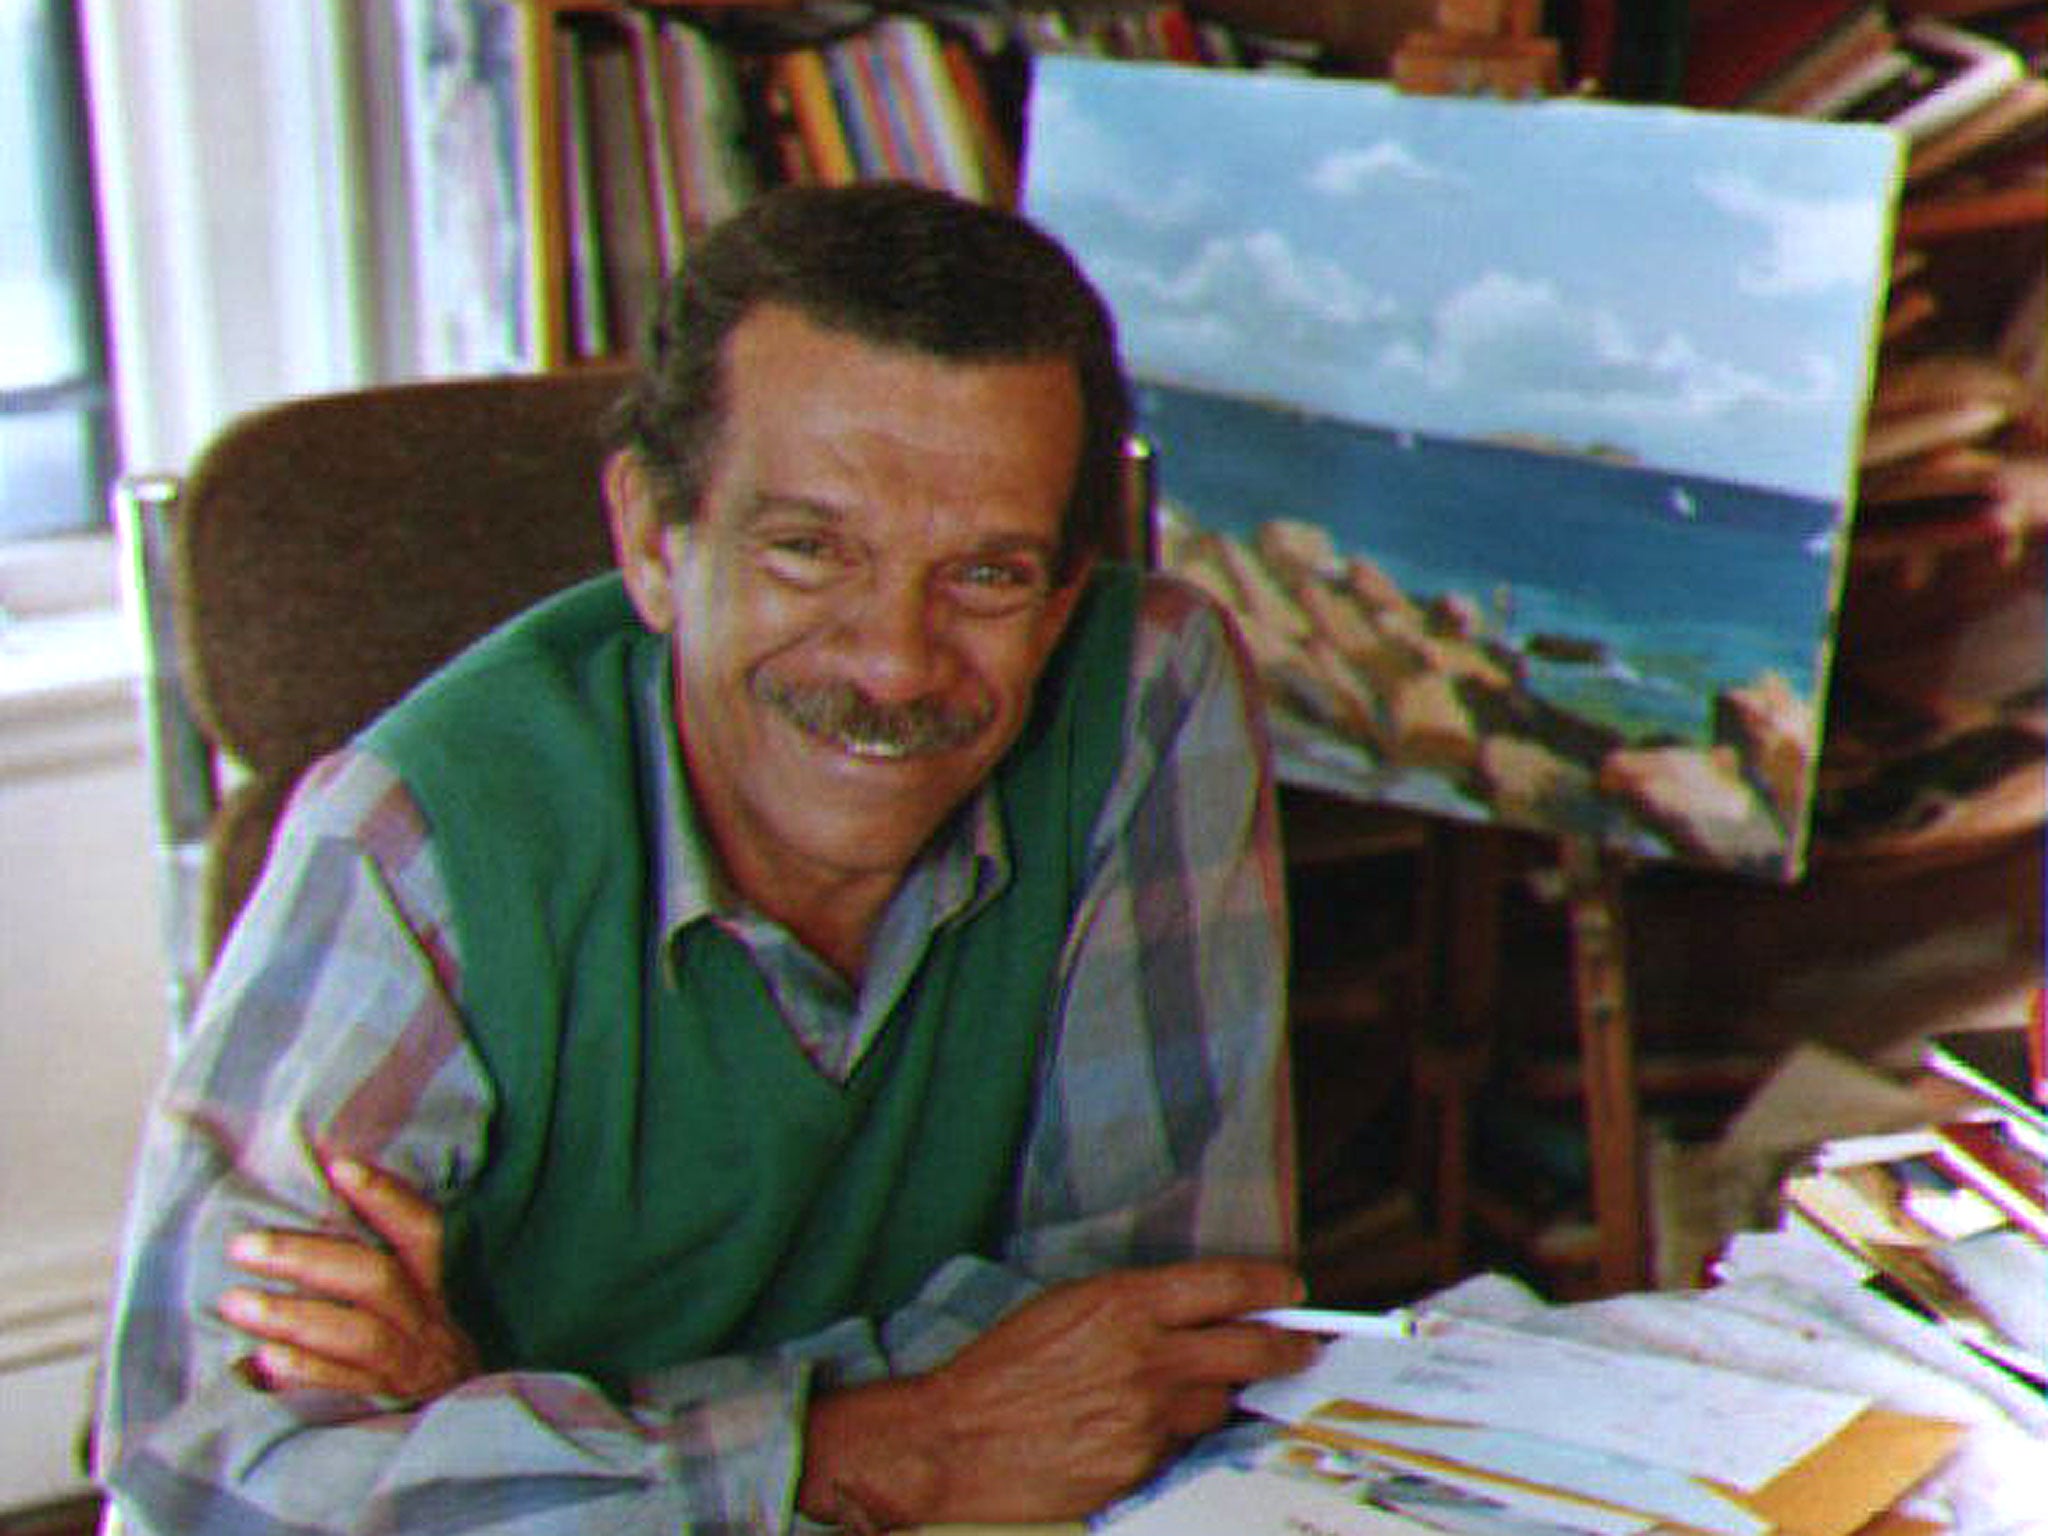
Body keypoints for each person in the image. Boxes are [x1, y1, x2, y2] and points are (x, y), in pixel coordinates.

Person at [96, 182, 1311, 1535]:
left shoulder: (1146, 693)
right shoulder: (411, 838)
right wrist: (873, 1451)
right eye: (807, 551)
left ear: (1064, 592)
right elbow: (194, 1490)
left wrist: (509, 1424)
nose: (894, 662)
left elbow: (1168, 1349)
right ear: (650, 542)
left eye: (986, 576)